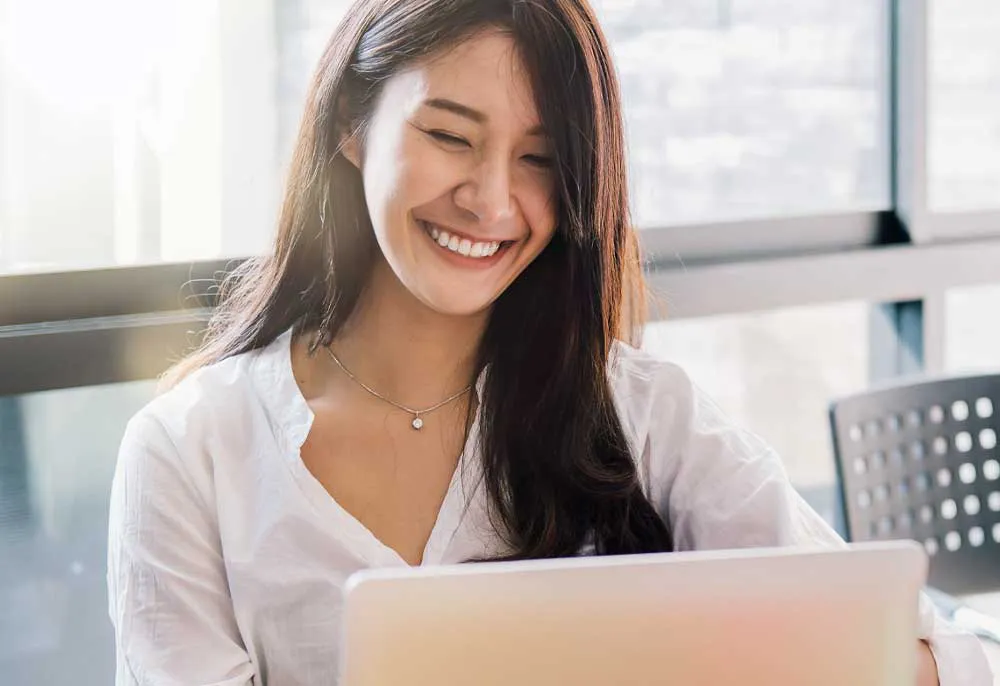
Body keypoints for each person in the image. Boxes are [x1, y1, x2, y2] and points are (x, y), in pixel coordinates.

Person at [106, 1, 991, 684]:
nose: (491, 203)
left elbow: (931, 650)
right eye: (450, 135)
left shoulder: (642, 414)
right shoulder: (192, 452)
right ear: (351, 123)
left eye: (539, 159)